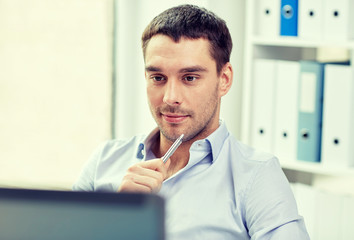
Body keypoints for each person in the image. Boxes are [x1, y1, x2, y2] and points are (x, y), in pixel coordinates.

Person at [73, 4, 310, 240]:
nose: (170, 97)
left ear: (224, 79)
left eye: (189, 78)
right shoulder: (104, 162)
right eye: (158, 77)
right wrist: (116, 219)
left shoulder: (257, 176)